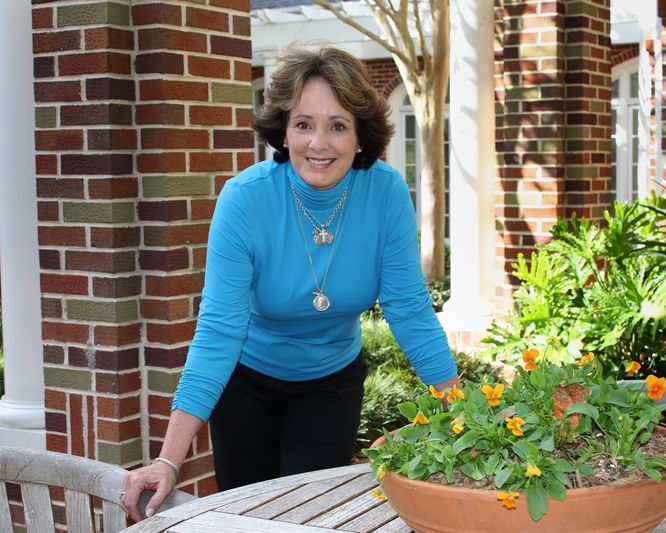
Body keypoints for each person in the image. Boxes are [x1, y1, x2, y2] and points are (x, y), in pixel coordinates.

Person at [120, 44, 460, 522]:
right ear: (284, 130)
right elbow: (219, 332)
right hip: (246, 386)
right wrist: (167, 460)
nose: (318, 143)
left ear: (361, 136)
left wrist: (466, 413)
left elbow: (409, 309)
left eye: (337, 125)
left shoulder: (384, 193)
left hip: (331, 385)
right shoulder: (245, 200)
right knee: (249, 519)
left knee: (312, 519)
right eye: (303, 124)